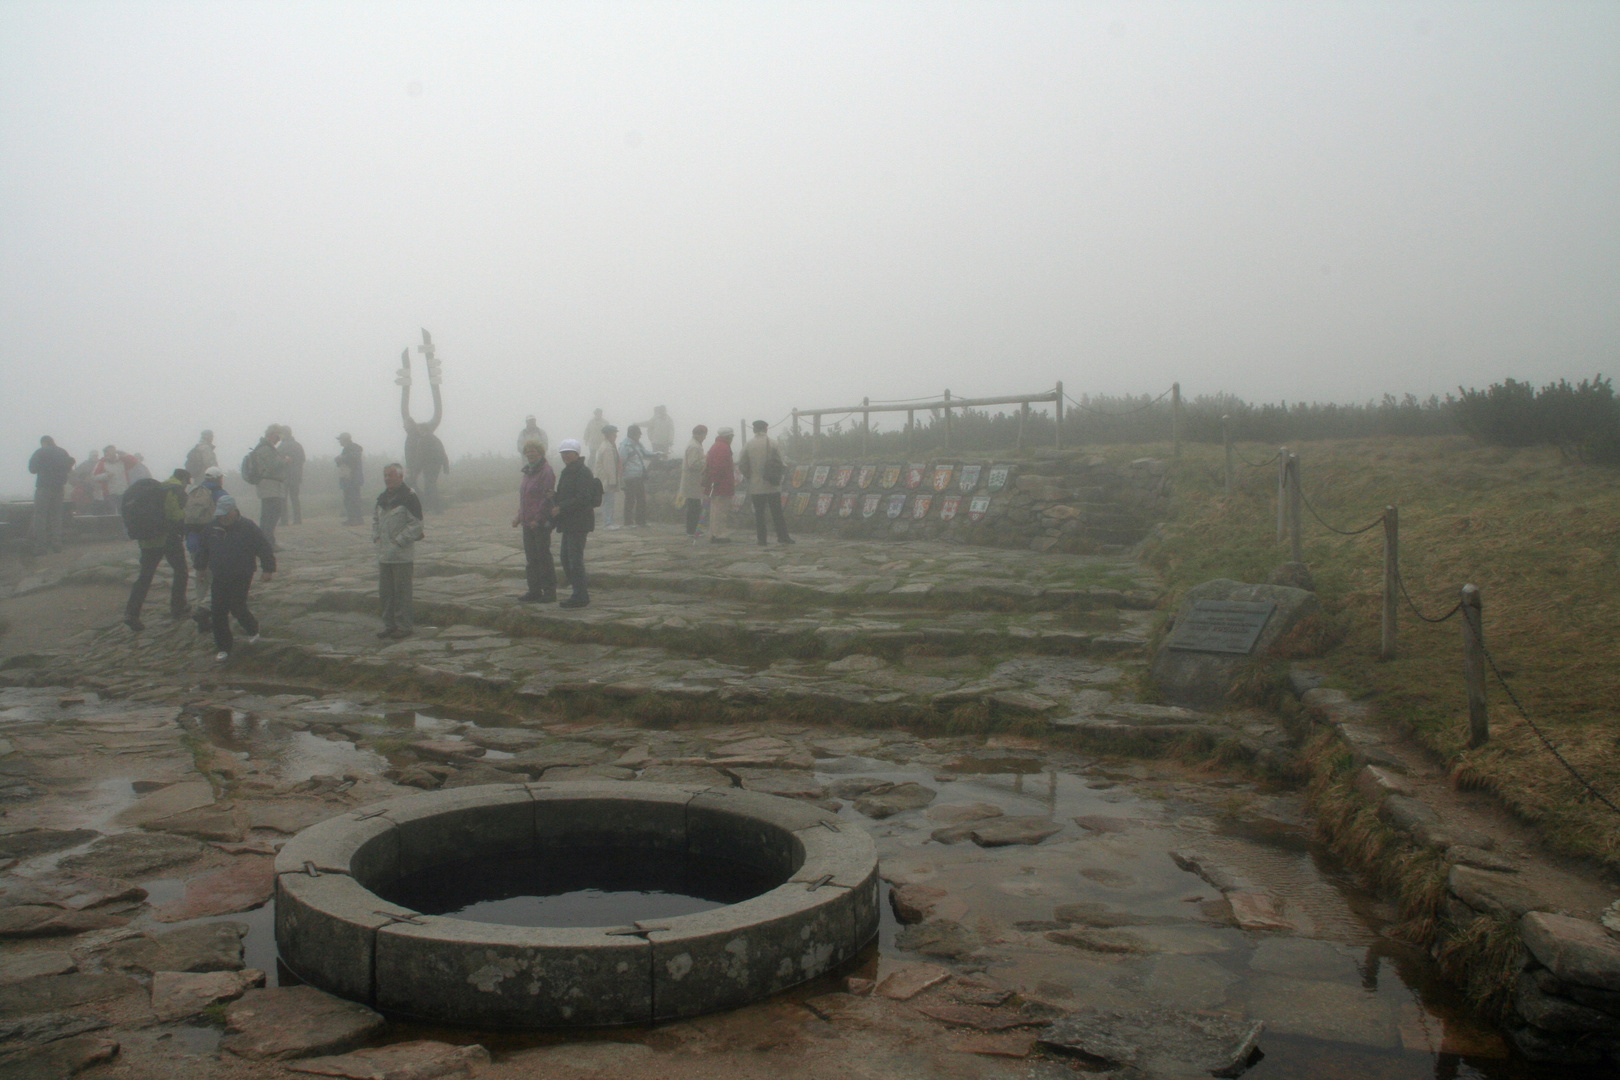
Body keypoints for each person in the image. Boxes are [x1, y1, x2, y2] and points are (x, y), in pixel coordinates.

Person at [196, 493, 275, 661]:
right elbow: (202, 549)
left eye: (225, 513)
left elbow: (264, 547)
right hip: (219, 574)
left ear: (234, 511)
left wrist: (268, 569)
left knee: (237, 606)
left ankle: (253, 629)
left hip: (242, 573)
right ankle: (223, 647)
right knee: (218, 611)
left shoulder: (248, 527)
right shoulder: (211, 528)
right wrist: (200, 569)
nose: (222, 518)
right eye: (219, 514)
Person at [124, 468, 191, 631]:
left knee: (145, 577)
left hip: (147, 540)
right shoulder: (174, 490)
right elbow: (174, 515)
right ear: (183, 480)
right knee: (181, 571)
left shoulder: (158, 487)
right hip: (167, 538)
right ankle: (178, 608)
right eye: (187, 483)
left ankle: (131, 613)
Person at [373, 463, 425, 638]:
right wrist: (376, 537)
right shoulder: (381, 498)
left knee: (402, 593)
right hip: (384, 555)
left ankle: (404, 627)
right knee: (386, 593)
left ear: (401, 477)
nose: (387, 478)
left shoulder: (409, 497)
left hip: (401, 555)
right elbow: (375, 520)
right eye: (385, 475)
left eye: (391, 475)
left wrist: (398, 542)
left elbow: (417, 525)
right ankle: (389, 625)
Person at [552, 439, 595, 608]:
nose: (565, 456)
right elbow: (566, 495)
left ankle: (580, 594)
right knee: (566, 558)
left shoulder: (583, 472)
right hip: (569, 521)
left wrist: (561, 506)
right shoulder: (567, 472)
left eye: (569, 453)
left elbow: (584, 498)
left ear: (577, 454)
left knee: (574, 559)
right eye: (563, 453)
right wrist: (554, 497)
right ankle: (578, 589)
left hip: (579, 522)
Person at [512, 440, 556, 602]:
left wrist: (537, 519)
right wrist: (519, 516)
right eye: (528, 451)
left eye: (534, 451)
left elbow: (546, 498)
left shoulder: (546, 471)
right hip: (527, 522)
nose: (530, 454)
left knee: (543, 557)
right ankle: (534, 590)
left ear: (541, 453)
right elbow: (525, 498)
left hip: (540, 523)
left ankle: (550, 592)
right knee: (531, 559)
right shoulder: (528, 472)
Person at [738, 420, 793, 546]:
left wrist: (749, 475)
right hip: (772, 484)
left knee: (759, 513)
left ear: (754, 430)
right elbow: (782, 462)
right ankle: (783, 536)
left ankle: (762, 539)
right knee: (777, 512)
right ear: (766, 429)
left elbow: (741, 463)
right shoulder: (773, 443)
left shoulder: (749, 444)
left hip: (755, 485)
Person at [184, 466, 226, 629]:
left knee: (200, 576)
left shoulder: (194, 491)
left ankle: (200, 608)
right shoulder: (219, 494)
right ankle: (206, 609)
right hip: (213, 541)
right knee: (218, 578)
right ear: (218, 478)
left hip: (193, 540)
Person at [27, 436, 74, 554]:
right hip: (58, 488)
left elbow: (32, 469)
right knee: (56, 516)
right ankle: (57, 544)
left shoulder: (40, 452)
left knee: (40, 517)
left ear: (43, 442)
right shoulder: (62, 452)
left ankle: (40, 547)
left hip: (43, 487)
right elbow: (69, 466)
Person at [247, 425, 289, 549]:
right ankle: (267, 542)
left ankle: (266, 541)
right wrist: (285, 460)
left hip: (269, 484)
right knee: (272, 513)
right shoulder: (265, 448)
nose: (279, 440)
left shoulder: (264, 447)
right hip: (269, 485)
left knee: (269, 513)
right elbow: (273, 465)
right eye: (278, 436)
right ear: (271, 434)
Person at [404, 419, 450, 513]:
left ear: (422, 430)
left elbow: (421, 456)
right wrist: (445, 465)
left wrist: (416, 469)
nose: (419, 431)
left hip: (428, 467)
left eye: (420, 429)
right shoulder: (435, 439)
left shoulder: (423, 440)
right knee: (430, 485)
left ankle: (435, 508)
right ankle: (433, 507)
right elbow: (442, 452)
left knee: (429, 486)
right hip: (435, 466)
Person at [675, 425, 708, 539]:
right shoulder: (695, 446)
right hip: (692, 481)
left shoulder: (694, 444)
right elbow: (693, 464)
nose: (705, 437)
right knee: (694, 507)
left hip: (691, 481)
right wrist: (705, 461)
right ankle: (691, 530)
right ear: (700, 434)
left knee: (693, 506)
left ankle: (692, 530)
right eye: (704, 435)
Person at [705, 427, 736, 544]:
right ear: (728, 437)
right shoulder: (723, 448)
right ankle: (719, 534)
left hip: (716, 484)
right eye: (731, 437)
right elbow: (719, 467)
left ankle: (714, 533)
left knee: (715, 510)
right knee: (721, 511)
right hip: (722, 484)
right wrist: (716, 481)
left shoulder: (716, 446)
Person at [591, 425, 621, 530]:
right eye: (614, 433)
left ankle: (609, 521)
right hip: (607, 479)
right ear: (608, 434)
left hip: (605, 478)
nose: (615, 435)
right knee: (608, 501)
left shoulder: (607, 445)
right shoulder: (607, 448)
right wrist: (613, 481)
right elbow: (610, 467)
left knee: (609, 500)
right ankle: (608, 522)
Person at [618, 425, 649, 528]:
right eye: (639, 434)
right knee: (630, 499)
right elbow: (621, 461)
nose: (640, 436)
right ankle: (628, 522)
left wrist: (659, 454)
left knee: (641, 499)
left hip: (638, 475)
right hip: (630, 476)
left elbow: (646, 453)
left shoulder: (637, 444)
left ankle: (640, 521)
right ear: (633, 434)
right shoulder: (625, 446)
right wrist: (620, 476)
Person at [335, 433, 365, 526]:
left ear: (345, 440)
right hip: (351, 478)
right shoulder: (350, 448)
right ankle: (354, 518)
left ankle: (355, 519)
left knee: (352, 499)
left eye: (340, 439)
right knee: (351, 498)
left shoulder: (352, 448)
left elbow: (352, 459)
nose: (339, 441)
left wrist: (341, 458)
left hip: (352, 478)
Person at [93, 445, 135, 509]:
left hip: (124, 492)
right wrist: (106, 476)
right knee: (112, 513)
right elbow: (95, 477)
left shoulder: (123, 461)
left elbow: (134, 462)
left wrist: (124, 454)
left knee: (124, 511)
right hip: (109, 494)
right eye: (110, 451)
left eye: (113, 450)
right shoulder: (101, 463)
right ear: (105, 453)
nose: (112, 452)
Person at [281, 426, 307, 525]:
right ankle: (297, 519)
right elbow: (303, 459)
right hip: (296, 475)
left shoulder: (282, 445)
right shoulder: (298, 445)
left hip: (284, 475)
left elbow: (278, 459)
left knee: (283, 498)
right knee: (295, 497)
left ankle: (284, 520)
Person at [70, 450, 101, 515]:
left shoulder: (100, 464)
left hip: (98, 488)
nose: (95, 457)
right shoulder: (85, 464)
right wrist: (80, 482)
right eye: (94, 455)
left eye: (96, 455)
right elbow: (75, 474)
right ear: (90, 456)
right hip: (86, 489)